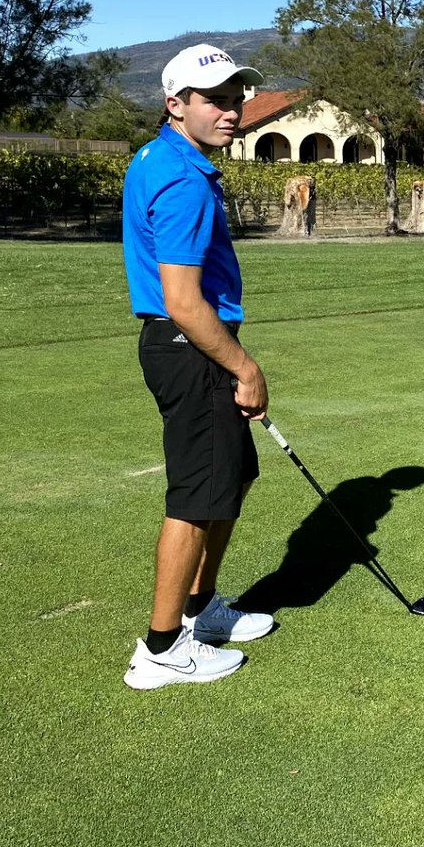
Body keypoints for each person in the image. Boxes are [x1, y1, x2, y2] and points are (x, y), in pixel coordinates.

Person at [121, 43, 275, 689]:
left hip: (185, 346)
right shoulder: (183, 178)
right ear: (175, 103)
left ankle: (202, 609)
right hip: (192, 348)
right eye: (215, 99)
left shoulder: (166, 158)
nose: (232, 110)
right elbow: (183, 301)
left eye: (237, 98)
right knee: (195, 496)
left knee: (232, 476)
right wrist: (245, 368)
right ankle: (161, 648)